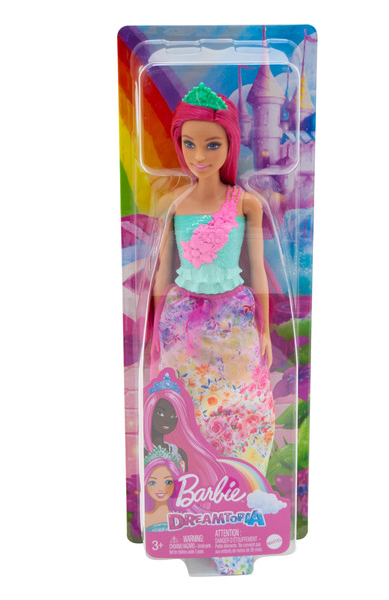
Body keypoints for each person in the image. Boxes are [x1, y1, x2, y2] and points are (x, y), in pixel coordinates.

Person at [152, 83, 275, 475]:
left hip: (233, 316)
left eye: (212, 145)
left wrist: (265, 329)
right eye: (189, 144)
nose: (199, 156)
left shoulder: (246, 203)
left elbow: (257, 270)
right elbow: (161, 270)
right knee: (184, 400)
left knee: (242, 400)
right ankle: (190, 475)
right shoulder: (173, 204)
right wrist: (155, 328)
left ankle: (240, 474)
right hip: (181, 317)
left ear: (230, 144)